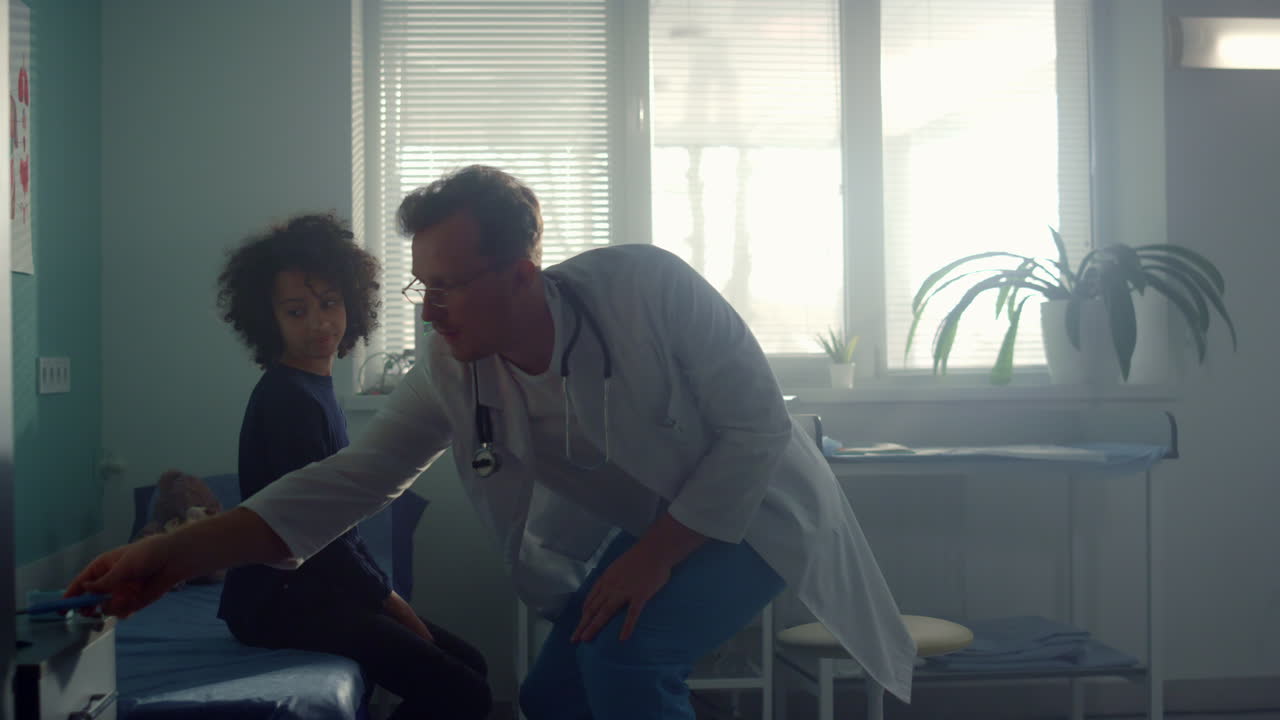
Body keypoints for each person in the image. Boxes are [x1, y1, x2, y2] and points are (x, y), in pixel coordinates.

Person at [68, 167, 916, 719]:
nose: (429, 308)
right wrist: (169, 554)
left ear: (521, 274)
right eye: (422, 285)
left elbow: (757, 429)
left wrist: (656, 555)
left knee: (627, 659)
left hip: (753, 507)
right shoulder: (452, 366)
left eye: (448, 285)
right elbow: (350, 481)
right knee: (552, 695)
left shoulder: (648, 289)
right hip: (657, 518)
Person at [211, 213, 490, 720]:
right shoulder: (288, 399)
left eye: (330, 303)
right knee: (464, 691)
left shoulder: (315, 388)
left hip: (316, 590)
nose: (319, 323)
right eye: (296, 311)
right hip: (277, 602)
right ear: (269, 320)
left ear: (352, 304)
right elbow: (318, 536)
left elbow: (340, 522)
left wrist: (384, 597)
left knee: (471, 667)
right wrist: (390, 601)